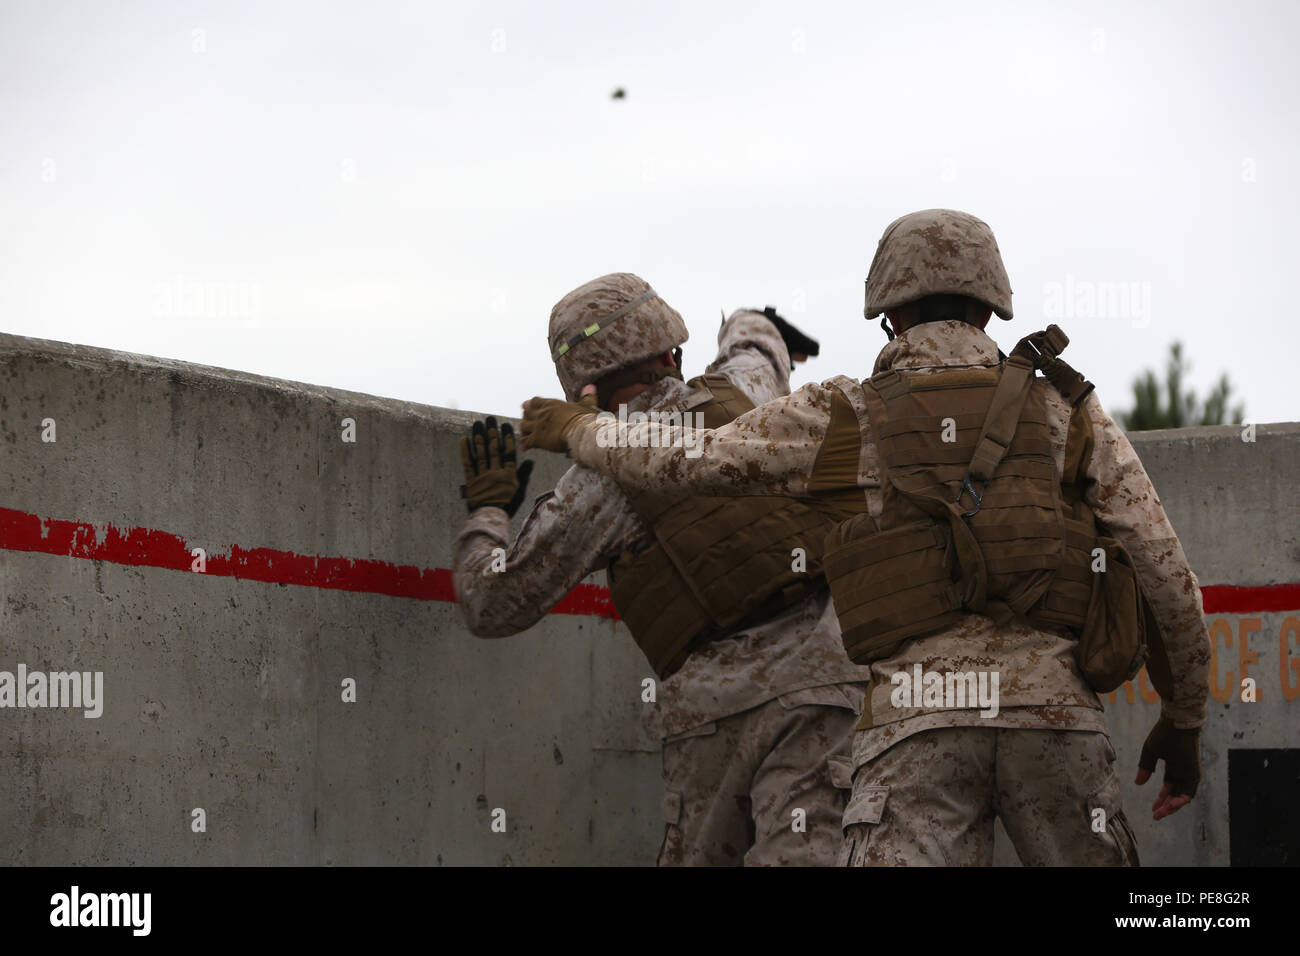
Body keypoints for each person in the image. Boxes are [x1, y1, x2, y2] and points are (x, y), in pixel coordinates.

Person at [519, 213, 1211, 866]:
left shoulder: (846, 411)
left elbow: (685, 460)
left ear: (889, 315)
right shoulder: (1068, 404)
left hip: (916, 726)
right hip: (1056, 721)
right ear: (993, 306)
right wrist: (1183, 720)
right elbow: (1166, 573)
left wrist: (579, 431)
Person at [453, 272, 871, 865]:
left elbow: (493, 602)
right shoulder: (746, 398)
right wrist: (755, 322)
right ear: (672, 351)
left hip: (711, 717)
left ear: (584, 389)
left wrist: (488, 510)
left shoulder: (598, 483)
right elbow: (754, 353)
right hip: (823, 688)